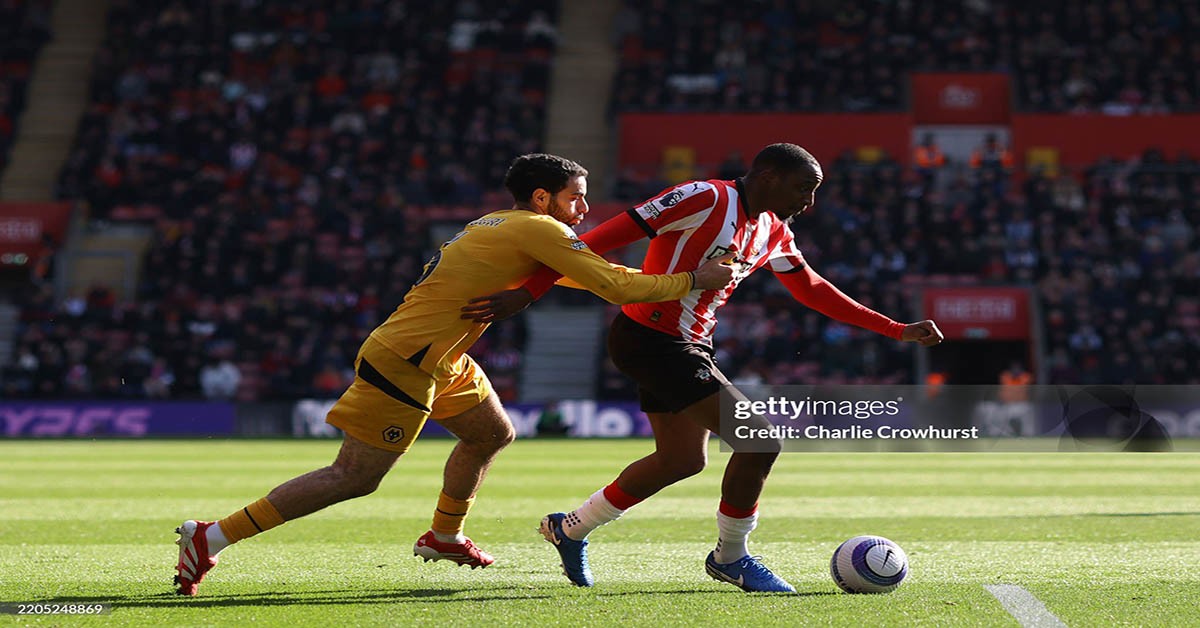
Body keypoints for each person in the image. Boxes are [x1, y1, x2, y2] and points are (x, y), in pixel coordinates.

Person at [172, 153, 736, 595]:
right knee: (354, 477)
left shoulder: (500, 224)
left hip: (440, 357)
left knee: (491, 433)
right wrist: (694, 279)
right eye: (576, 198)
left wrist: (653, 277)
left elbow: (589, 275)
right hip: (408, 359)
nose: (585, 209)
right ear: (543, 197)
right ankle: (212, 535)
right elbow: (611, 286)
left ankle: (443, 537)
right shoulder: (540, 229)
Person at [464, 143, 944, 593]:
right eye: (804, 188)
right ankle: (730, 557)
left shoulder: (773, 227)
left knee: (682, 460)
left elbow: (810, 288)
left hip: (687, 343)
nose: (809, 202)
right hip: (652, 339)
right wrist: (528, 292)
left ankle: (570, 528)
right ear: (768, 176)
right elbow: (593, 242)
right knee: (760, 441)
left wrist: (894, 328)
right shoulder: (704, 197)